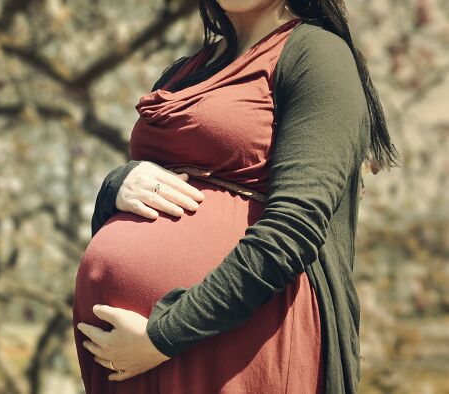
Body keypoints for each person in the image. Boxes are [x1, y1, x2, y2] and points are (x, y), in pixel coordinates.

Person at [72, 0, 402, 393]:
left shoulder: (318, 55)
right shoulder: (184, 71)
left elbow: (294, 229)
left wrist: (164, 336)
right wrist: (116, 184)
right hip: (134, 354)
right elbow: (152, 186)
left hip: (231, 342)